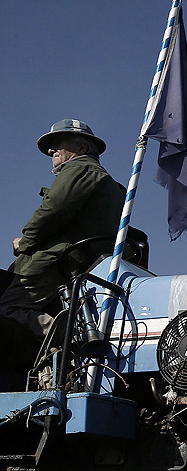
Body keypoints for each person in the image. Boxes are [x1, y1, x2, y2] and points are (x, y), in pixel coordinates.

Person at [0, 119, 125, 367]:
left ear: (80, 147)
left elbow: (53, 210)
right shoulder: (113, 185)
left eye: (58, 143)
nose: (51, 150)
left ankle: (66, 333)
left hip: (56, 261)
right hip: (82, 265)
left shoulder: (79, 169)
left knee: (8, 307)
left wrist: (24, 241)